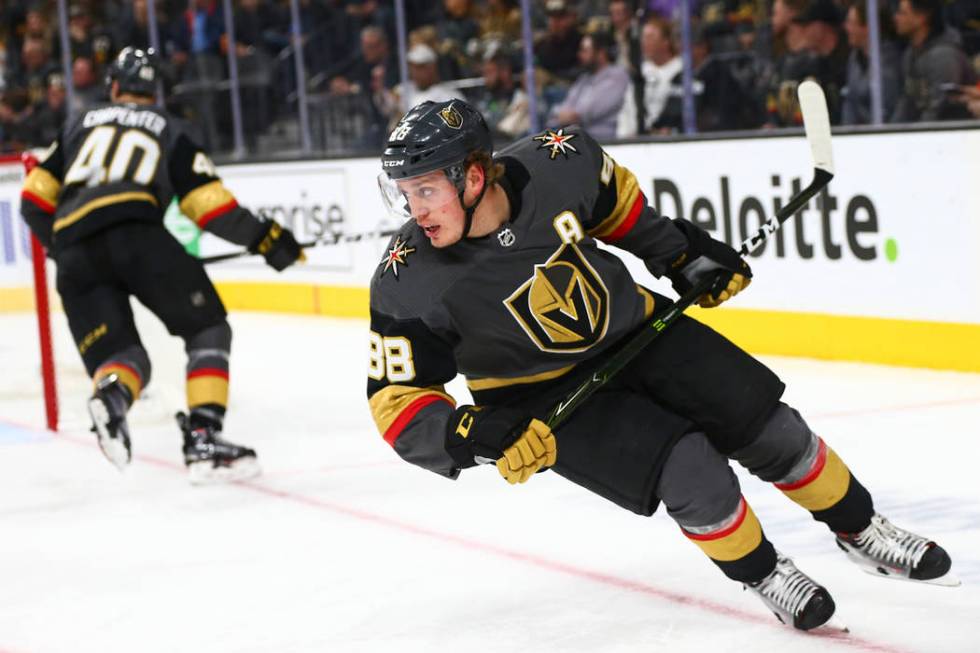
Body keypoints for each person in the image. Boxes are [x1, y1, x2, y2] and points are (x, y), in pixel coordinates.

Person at [368, 99, 957, 631]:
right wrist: (473, 434)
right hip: (541, 399)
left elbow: (619, 210)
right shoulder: (408, 280)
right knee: (692, 471)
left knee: (774, 430)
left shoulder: (558, 162)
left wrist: (682, 253)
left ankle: (862, 530)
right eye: (404, 192)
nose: (413, 209)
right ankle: (764, 573)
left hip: (638, 330)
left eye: (424, 190)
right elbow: (398, 403)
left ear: (473, 175)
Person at [19, 47, 303, 484]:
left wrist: (67, 250)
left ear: (113, 86)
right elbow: (208, 206)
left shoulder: (79, 123)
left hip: (75, 250)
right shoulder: (170, 128)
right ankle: (204, 437)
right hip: (139, 235)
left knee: (124, 357)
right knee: (207, 329)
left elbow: (34, 200)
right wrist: (266, 240)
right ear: (156, 93)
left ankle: (113, 398)